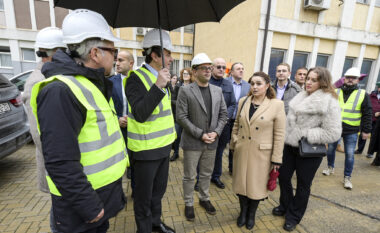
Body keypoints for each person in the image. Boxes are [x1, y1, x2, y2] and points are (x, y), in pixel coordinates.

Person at [30, 9, 129, 233]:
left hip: (98, 200)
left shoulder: (92, 84)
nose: (115, 56)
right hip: (82, 211)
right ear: (95, 53)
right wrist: (91, 208)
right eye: (113, 50)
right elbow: (60, 161)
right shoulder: (60, 91)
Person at [273, 67, 342, 232]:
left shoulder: (329, 102)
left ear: (322, 82)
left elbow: (333, 133)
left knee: (303, 185)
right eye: (308, 78)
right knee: (283, 177)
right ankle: (286, 205)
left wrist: (305, 134)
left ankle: (293, 216)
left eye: (313, 80)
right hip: (290, 146)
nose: (308, 82)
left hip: (309, 150)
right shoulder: (301, 95)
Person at [125, 29, 176, 233]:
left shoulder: (162, 78)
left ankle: (155, 223)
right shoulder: (135, 78)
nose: (171, 58)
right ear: (155, 55)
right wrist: (158, 86)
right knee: (143, 197)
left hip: (163, 148)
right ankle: (144, 229)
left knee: (158, 193)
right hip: (145, 151)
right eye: (168, 53)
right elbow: (140, 113)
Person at [22, 26, 66, 233]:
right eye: (62, 51)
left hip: (64, 167)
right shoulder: (36, 82)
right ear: (50, 53)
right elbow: (39, 135)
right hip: (56, 167)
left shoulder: (55, 75)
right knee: (60, 217)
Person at [230, 71, 286, 230]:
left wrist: (277, 159)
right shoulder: (243, 101)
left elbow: (280, 134)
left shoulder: (276, 104)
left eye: (258, 83)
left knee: (255, 187)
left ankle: (251, 215)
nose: (254, 87)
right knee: (241, 185)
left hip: (262, 154)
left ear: (267, 85)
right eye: (252, 83)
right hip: (242, 150)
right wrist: (234, 142)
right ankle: (242, 212)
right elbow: (236, 125)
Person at [176, 53, 227, 221]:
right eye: (204, 68)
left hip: (212, 142)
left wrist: (217, 132)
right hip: (193, 142)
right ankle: (189, 202)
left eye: (209, 68)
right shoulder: (185, 90)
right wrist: (201, 134)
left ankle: (204, 199)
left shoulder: (217, 90)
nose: (207, 71)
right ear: (194, 71)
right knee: (190, 176)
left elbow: (223, 115)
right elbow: (181, 117)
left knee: (206, 174)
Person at [323, 67, 372, 190]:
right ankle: (330, 167)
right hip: (334, 128)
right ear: (344, 79)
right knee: (330, 150)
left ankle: (347, 177)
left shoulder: (363, 94)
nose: (350, 79)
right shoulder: (336, 92)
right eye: (348, 77)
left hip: (351, 130)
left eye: (353, 78)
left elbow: (367, 113)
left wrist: (366, 130)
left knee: (350, 154)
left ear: (358, 80)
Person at [208, 57, 236, 189]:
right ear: (212, 68)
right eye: (218, 66)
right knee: (205, 152)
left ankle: (216, 176)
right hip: (208, 125)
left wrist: (225, 118)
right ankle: (201, 177)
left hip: (223, 125)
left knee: (219, 152)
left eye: (223, 67)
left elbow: (232, 104)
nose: (221, 69)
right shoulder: (206, 82)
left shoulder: (228, 84)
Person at [109, 50, 135, 190]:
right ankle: (117, 194)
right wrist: (117, 119)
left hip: (136, 131)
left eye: (121, 60)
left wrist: (134, 119)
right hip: (118, 130)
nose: (117, 63)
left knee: (135, 166)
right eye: (116, 60)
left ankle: (136, 191)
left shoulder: (139, 81)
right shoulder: (110, 83)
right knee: (118, 164)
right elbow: (106, 108)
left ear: (131, 63)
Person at [226, 62, 250, 175]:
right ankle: (216, 171)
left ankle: (232, 168)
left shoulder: (247, 86)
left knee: (235, 144)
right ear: (231, 72)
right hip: (225, 120)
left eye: (242, 68)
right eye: (238, 68)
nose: (241, 70)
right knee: (221, 146)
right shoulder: (225, 83)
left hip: (239, 121)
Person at [170, 68, 193, 162]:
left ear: (191, 75)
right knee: (177, 135)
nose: (185, 75)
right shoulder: (178, 86)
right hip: (178, 116)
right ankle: (176, 153)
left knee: (188, 137)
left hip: (190, 117)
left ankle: (187, 155)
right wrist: (181, 103)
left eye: (187, 73)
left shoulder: (193, 86)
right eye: (183, 73)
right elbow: (172, 99)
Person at [355, 82, 380, 158]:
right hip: (368, 119)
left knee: (374, 137)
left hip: (378, 121)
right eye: (379, 87)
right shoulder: (371, 95)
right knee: (363, 134)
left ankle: (370, 152)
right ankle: (359, 150)